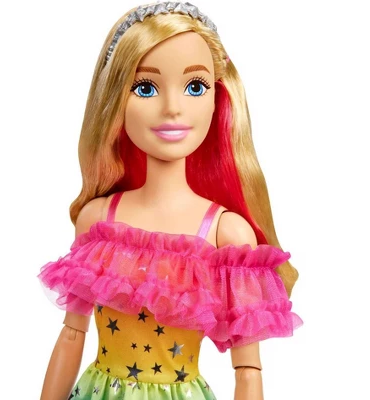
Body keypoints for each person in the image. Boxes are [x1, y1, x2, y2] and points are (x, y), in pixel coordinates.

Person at [38, 2, 303, 399]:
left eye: (195, 87)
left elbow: (248, 371)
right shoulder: (99, 220)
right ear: (115, 99)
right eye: (145, 88)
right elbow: (72, 334)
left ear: (218, 98)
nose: (173, 108)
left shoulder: (226, 233)